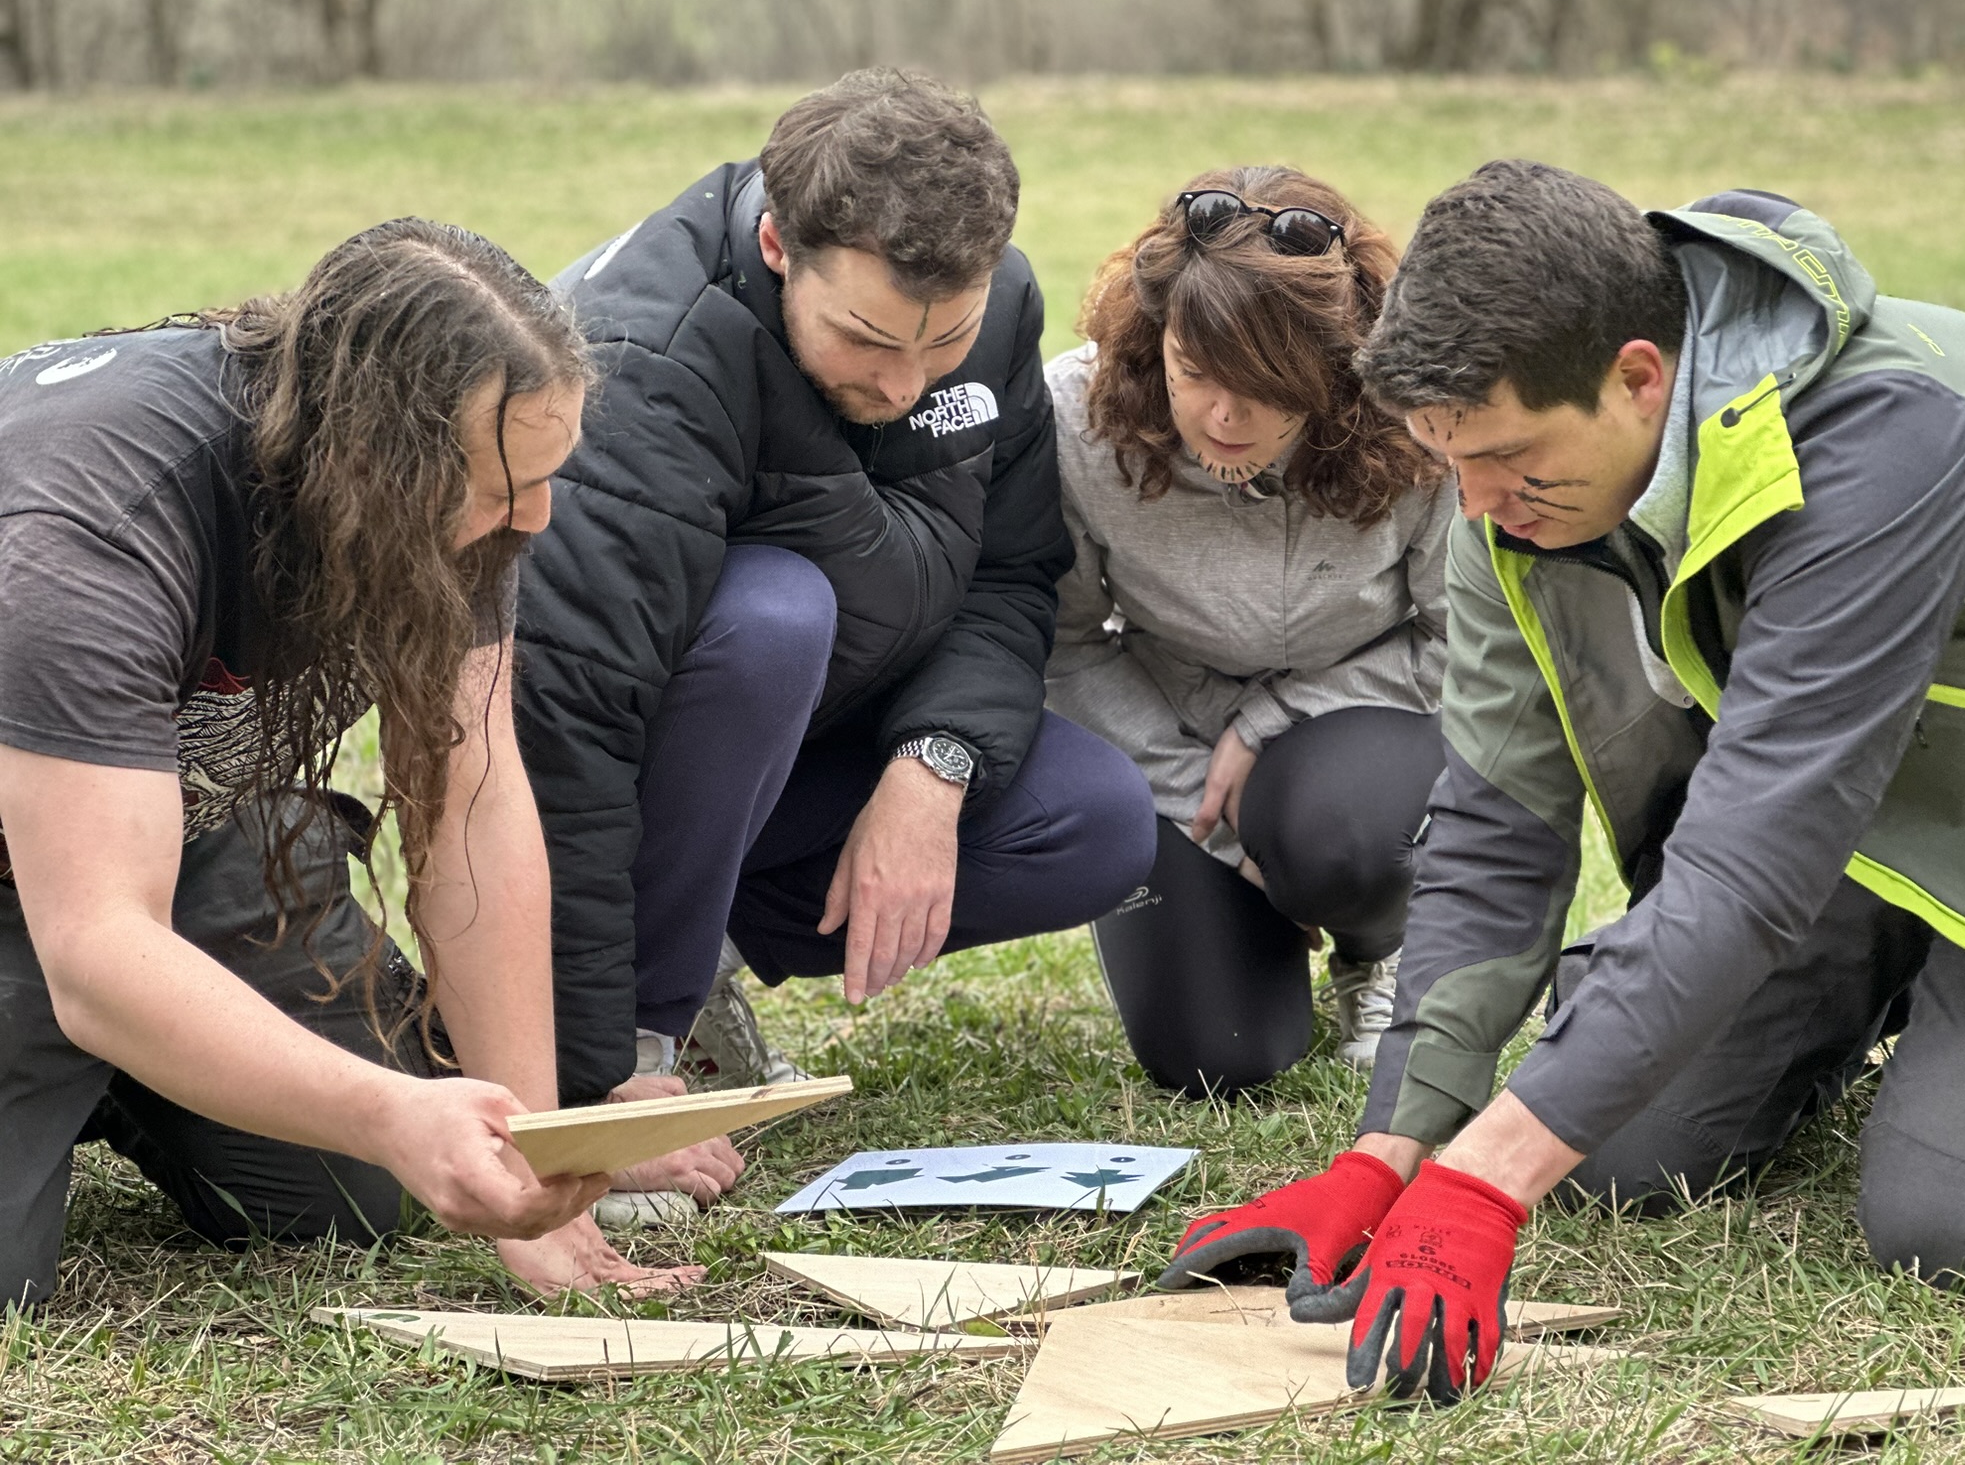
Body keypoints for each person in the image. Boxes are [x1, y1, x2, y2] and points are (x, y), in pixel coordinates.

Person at [1157, 160, 1965, 1402]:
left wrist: (1485, 1182)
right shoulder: (1507, 501)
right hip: (1870, 821)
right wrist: (1398, 1149)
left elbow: (1747, 862)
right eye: (1447, 462)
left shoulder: (1893, 447)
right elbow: (1492, 824)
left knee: (1952, 1225)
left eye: (1510, 459)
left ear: (1639, 376)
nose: (1477, 507)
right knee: (1609, 1146)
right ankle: (1887, 985)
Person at [0, 219, 730, 1312]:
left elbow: (473, 797)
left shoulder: (463, 493)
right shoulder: (90, 527)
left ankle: (127, 1066)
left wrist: (535, 1154)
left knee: (353, 1193)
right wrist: (389, 1109)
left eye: (546, 477)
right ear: (368, 460)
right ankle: (84, 1060)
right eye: (501, 488)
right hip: (47, 884)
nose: (531, 521)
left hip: (185, 814)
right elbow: (99, 942)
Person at [517, 68, 1156, 1200]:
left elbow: (1010, 575)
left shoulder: (996, 306)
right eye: (865, 339)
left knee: (1095, 821)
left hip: (812, 737)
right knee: (771, 615)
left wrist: (932, 767)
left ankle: (700, 945)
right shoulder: (645, 364)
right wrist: (595, 1070)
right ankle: (649, 1022)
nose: (907, 383)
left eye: (943, 342)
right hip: (615, 752)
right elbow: (567, 727)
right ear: (776, 245)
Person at [1045, 166, 1453, 1094]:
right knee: (1219, 1056)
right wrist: (1212, 818)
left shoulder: (1413, 416)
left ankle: (1376, 944)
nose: (1223, 418)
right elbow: (1065, 645)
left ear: (1340, 371)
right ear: (1158, 345)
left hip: (1365, 721)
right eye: (1195, 376)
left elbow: (1459, 638)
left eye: (1267, 389)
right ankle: (1249, 918)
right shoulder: (1074, 416)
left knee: (1345, 841)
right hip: (1171, 733)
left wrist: (1271, 719)